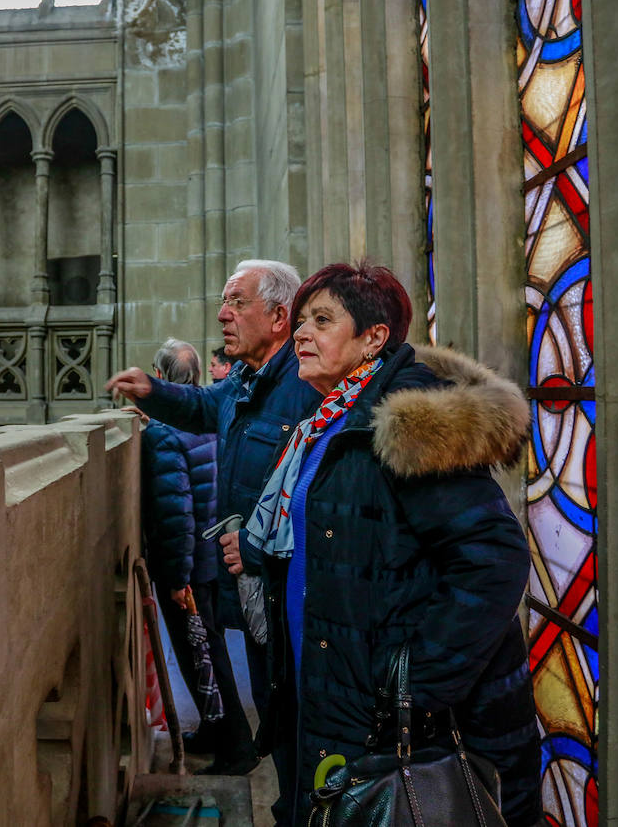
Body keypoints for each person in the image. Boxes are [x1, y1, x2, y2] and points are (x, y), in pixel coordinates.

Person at [220, 262, 541, 826]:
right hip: (324, 685)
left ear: (374, 338)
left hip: (382, 710)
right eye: (299, 320)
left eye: (322, 320)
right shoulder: (327, 420)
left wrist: (413, 688)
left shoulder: (407, 423)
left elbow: (494, 562)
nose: (301, 333)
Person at [107, 259, 321, 780]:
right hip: (249, 583)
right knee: (274, 711)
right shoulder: (248, 379)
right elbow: (204, 406)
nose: (223, 314)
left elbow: (311, 499)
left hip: (288, 587)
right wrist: (153, 393)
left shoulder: (306, 386)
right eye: (225, 302)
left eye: (237, 302)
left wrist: (253, 545)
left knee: (299, 717)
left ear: (278, 317)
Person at [137, 338, 257, 774]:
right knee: (210, 651)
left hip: (190, 565)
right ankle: (213, 730)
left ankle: (236, 749)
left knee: (202, 656)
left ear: (164, 378)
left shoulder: (163, 435)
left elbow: (176, 515)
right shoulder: (209, 422)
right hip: (213, 558)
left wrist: (176, 578)